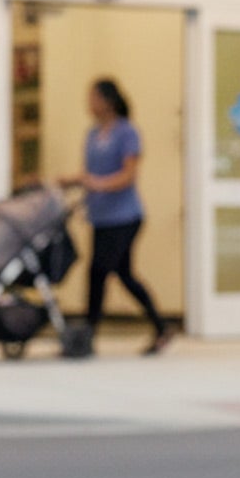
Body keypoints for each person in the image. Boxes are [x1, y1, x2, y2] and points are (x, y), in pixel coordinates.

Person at [62, 77, 175, 356]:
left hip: (125, 216)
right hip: (101, 216)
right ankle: (161, 327)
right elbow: (88, 173)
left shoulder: (127, 133)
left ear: (107, 100)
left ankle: (87, 335)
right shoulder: (92, 134)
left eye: (93, 97)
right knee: (122, 274)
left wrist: (98, 184)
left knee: (99, 271)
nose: (89, 103)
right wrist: (70, 183)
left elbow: (128, 174)